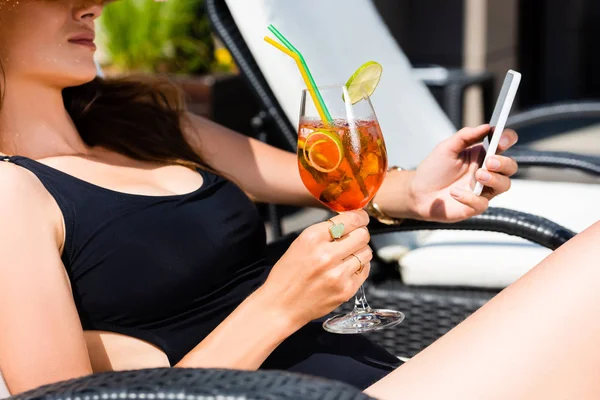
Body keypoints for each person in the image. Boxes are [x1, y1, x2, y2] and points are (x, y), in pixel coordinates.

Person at [2, 1, 598, 399]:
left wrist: (416, 189)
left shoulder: (140, 121)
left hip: (376, 374)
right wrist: (279, 307)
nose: (93, 3)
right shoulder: (12, 196)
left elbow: (322, 181)